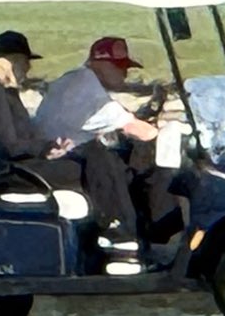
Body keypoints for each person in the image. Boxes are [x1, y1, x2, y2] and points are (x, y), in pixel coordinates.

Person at [0, 30, 141, 249]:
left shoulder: (4, 92)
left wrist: (52, 147)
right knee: (95, 161)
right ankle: (118, 231)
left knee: (95, 154)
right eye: (25, 62)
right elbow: (10, 144)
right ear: (11, 62)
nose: (28, 68)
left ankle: (116, 228)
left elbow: (21, 136)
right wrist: (45, 147)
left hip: (24, 162)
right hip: (16, 170)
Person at [33, 36, 179, 241]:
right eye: (119, 66)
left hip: (61, 154)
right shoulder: (85, 89)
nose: (125, 73)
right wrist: (173, 135)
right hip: (62, 161)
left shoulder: (75, 79)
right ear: (98, 63)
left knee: (127, 158)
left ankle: (146, 233)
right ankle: (146, 235)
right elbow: (138, 130)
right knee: (154, 170)